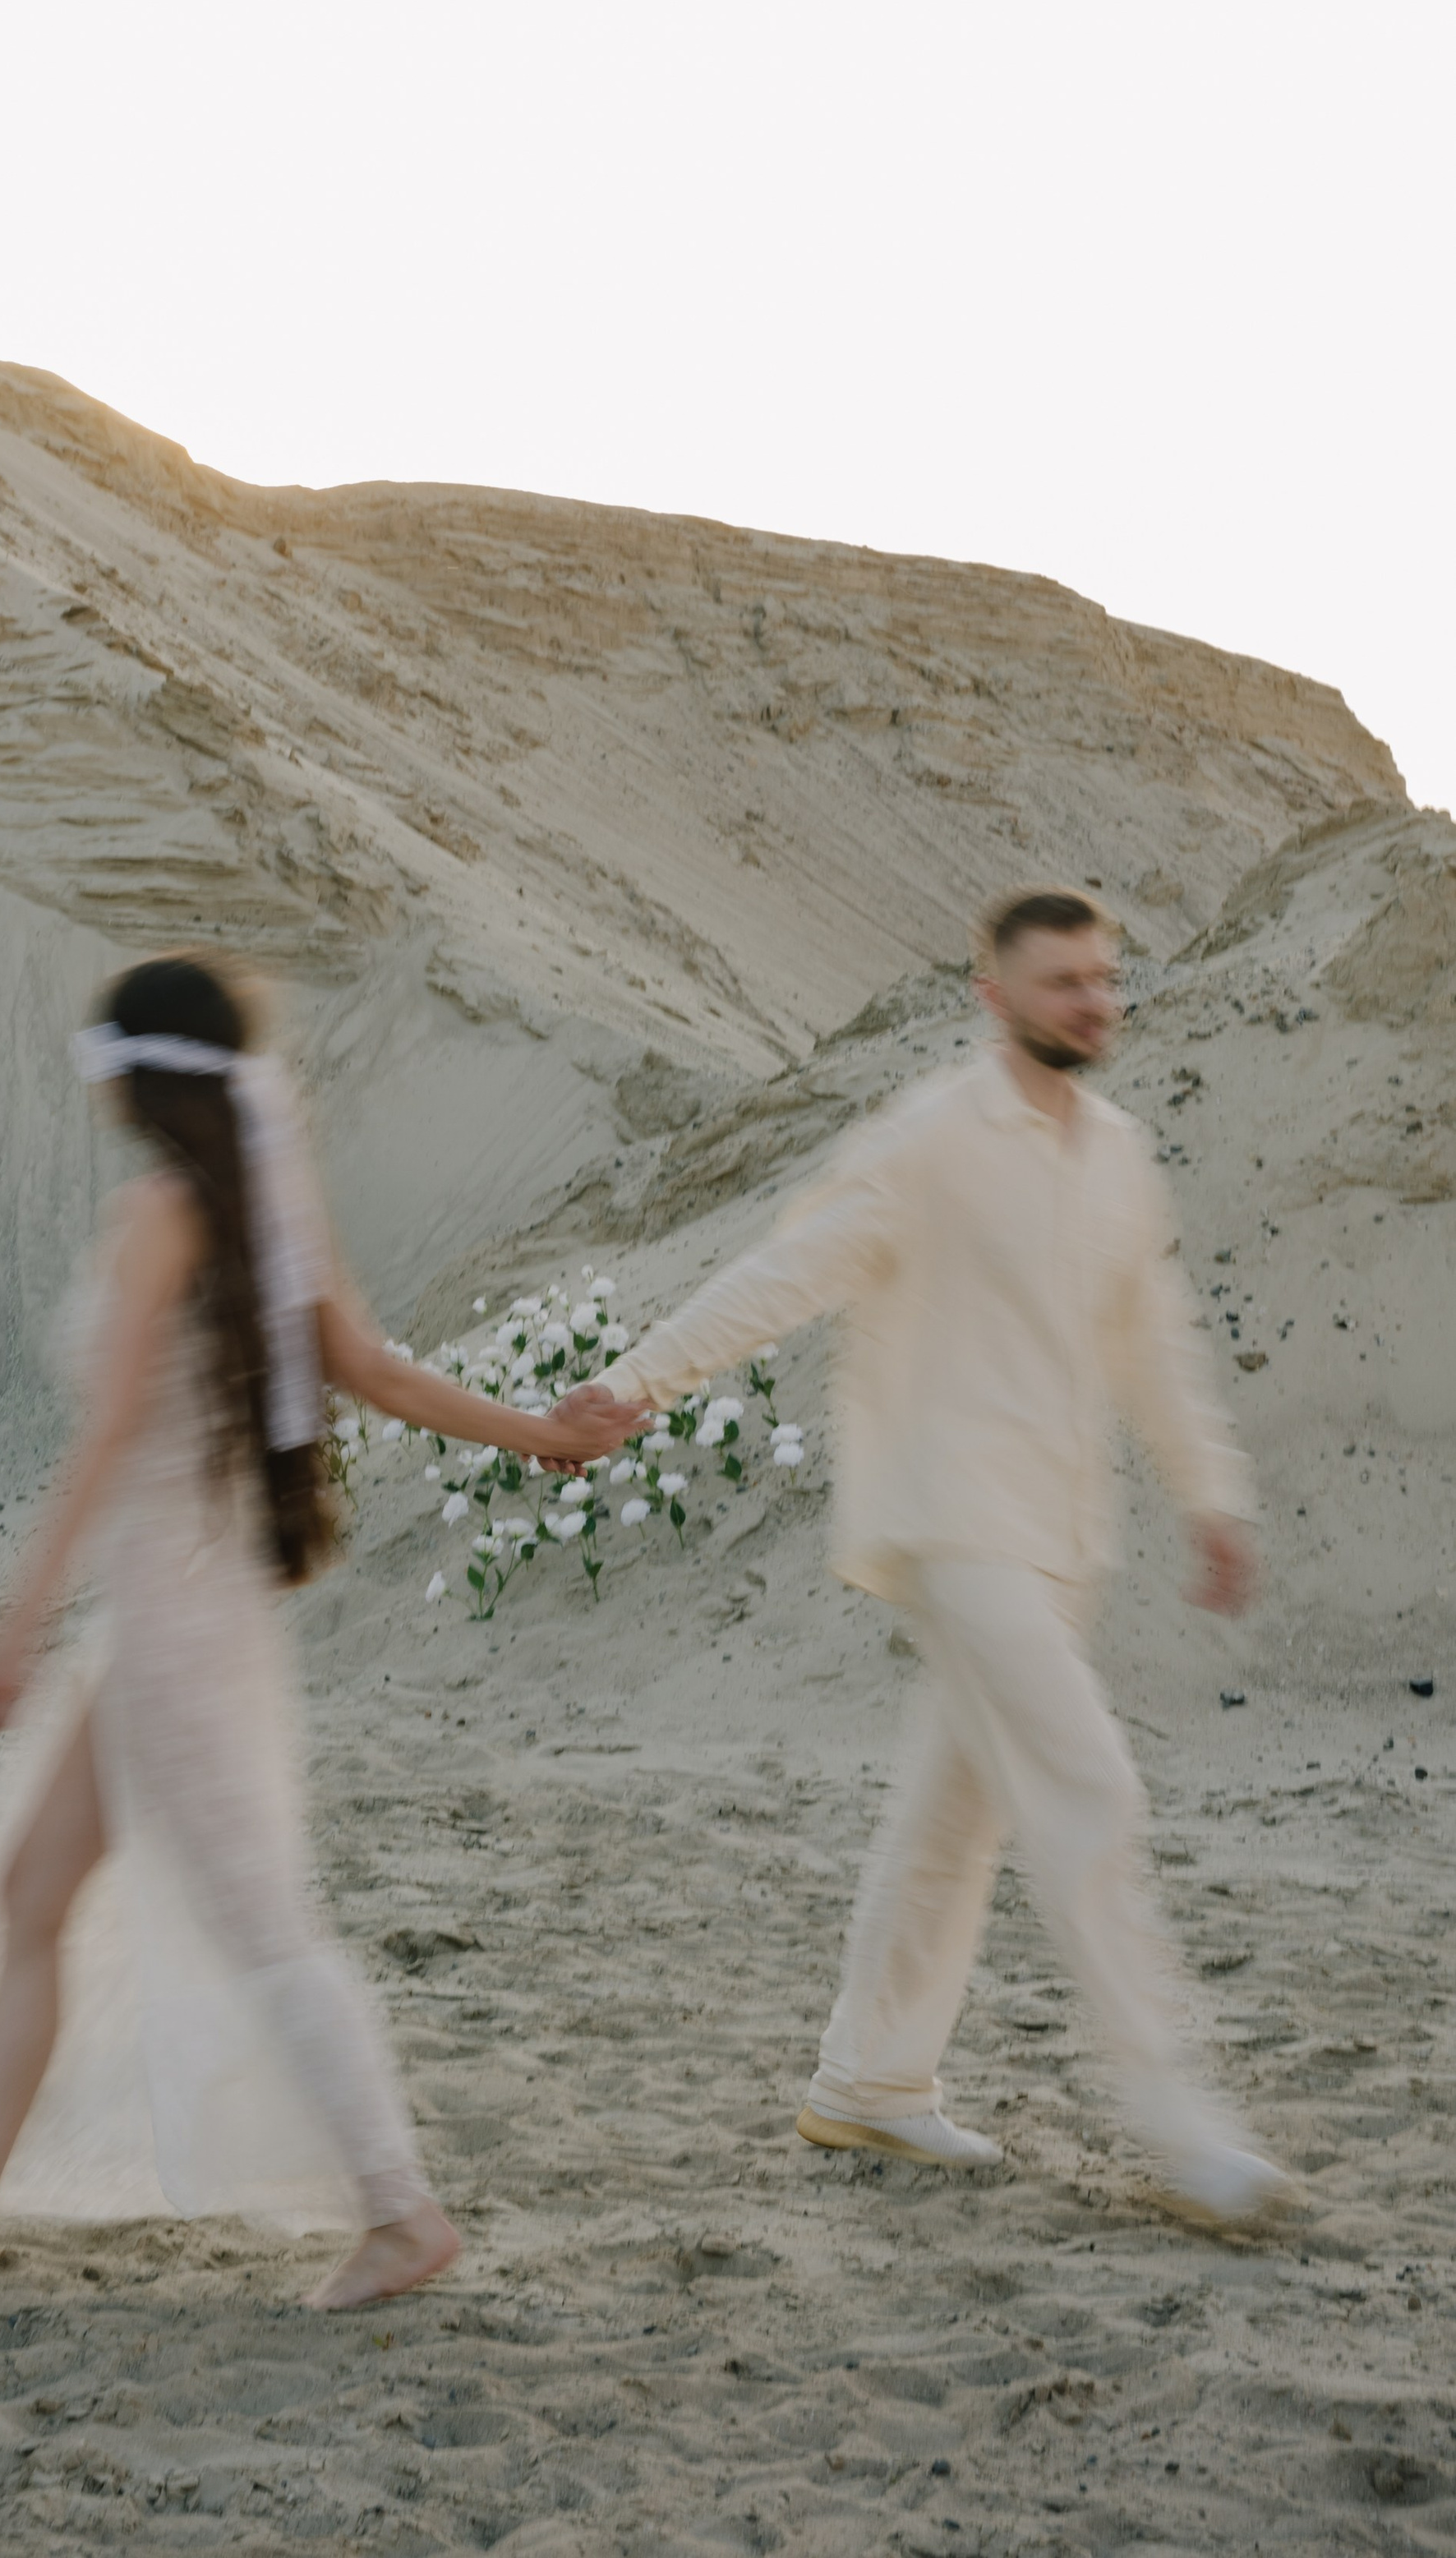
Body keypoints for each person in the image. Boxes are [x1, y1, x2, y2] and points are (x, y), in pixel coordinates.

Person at [0, 952, 629, 2307]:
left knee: (262, 1920)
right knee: (31, 1897)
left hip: (169, 1628)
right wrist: (538, 1435)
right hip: (182, 1618)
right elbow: (371, 1371)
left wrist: (15, 1627)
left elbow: (106, 1437)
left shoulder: (161, 1212)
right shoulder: (258, 1201)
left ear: (139, 1078)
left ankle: (401, 2211)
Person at [555, 887, 1292, 2228]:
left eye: (1104, 978)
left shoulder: (1117, 1153)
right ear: (992, 997)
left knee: (955, 1817)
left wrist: (1211, 1495)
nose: (1093, 1001)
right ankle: (1184, 2129)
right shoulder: (933, 1137)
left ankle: (871, 2082)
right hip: (955, 1523)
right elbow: (789, 1272)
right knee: (1088, 1788)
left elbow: (1153, 1340)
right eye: (1063, 981)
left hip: (1061, 1536)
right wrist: (638, 1381)